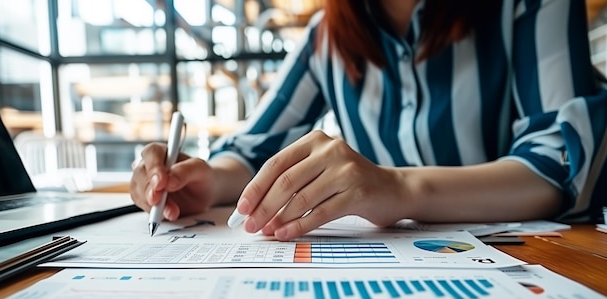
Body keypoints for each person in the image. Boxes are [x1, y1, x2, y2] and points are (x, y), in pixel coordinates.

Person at [131, 0, 607, 241]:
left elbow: (558, 165)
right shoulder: (326, 37)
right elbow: (255, 149)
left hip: (529, 263)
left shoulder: (529, 6)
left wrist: (397, 188)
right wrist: (208, 180)